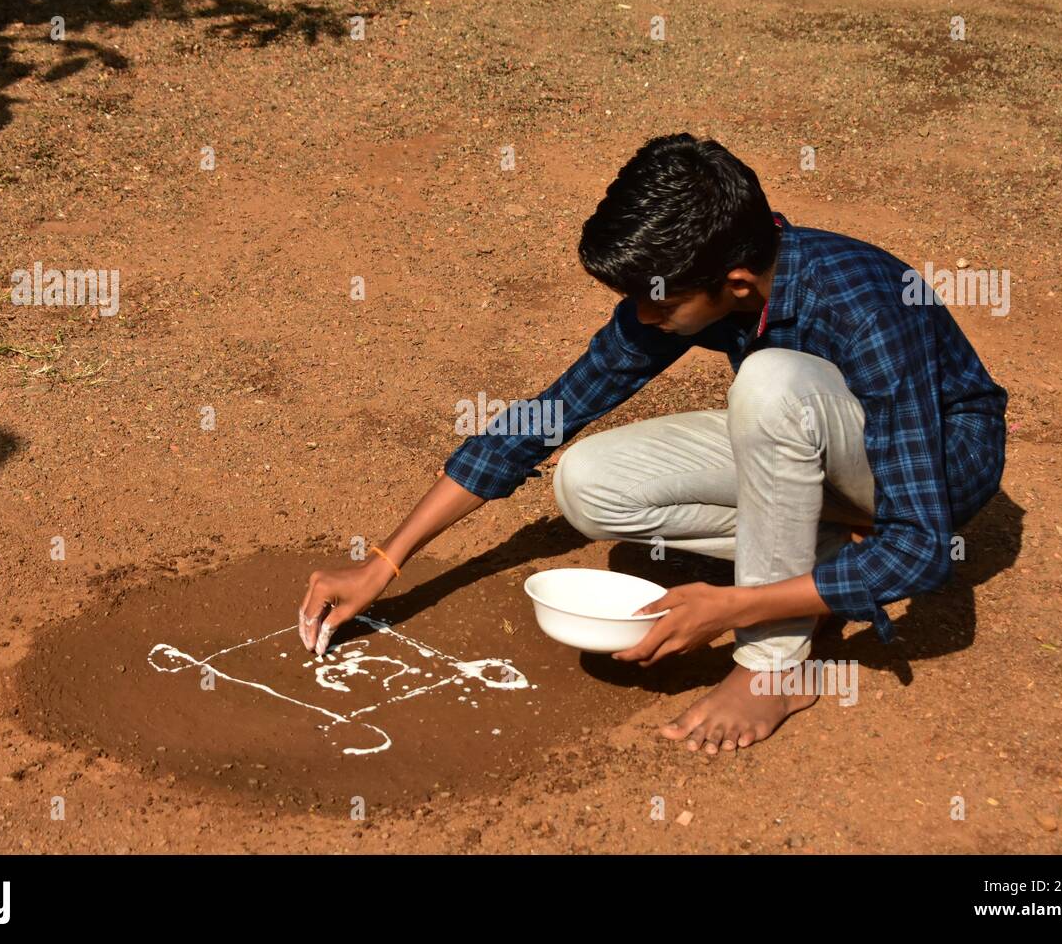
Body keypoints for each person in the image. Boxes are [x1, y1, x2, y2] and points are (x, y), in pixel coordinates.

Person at [299, 133, 1007, 755]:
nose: (642, 317)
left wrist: (733, 609)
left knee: (769, 384)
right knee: (587, 479)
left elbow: (920, 549)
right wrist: (385, 563)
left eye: (659, 304)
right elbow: (552, 414)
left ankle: (775, 667)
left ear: (734, 284)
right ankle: (819, 557)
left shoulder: (864, 303)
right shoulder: (702, 279)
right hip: (816, 444)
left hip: (928, 474)